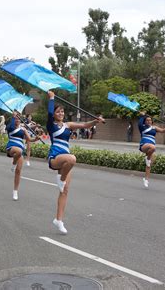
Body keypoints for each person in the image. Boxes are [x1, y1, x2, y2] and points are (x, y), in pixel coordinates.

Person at [46, 91, 104, 234]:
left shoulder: (68, 125)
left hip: (65, 161)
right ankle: (61, 178)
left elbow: (84, 125)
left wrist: (95, 121)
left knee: (64, 191)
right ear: (54, 114)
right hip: (55, 157)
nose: (60, 113)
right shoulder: (51, 125)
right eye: (58, 111)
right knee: (72, 158)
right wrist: (52, 99)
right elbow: (48, 113)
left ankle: (58, 220)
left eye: (62, 111)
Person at [6, 112, 39, 201]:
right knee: (18, 151)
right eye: (15, 118)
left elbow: (29, 139)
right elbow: (9, 127)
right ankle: (13, 163)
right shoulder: (10, 127)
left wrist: (35, 139)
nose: (17, 120)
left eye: (18, 118)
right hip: (11, 147)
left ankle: (15, 191)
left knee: (18, 171)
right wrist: (13, 117)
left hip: (20, 149)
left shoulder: (23, 129)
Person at [138, 112, 165, 188]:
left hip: (151, 149)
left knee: (149, 165)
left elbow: (162, 130)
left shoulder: (154, 127)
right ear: (145, 121)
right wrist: (142, 116)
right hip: (144, 145)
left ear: (152, 121)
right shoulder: (142, 127)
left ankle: (146, 179)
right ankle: (147, 158)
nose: (148, 121)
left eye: (150, 120)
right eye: (147, 120)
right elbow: (140, 122)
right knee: (152, 147)